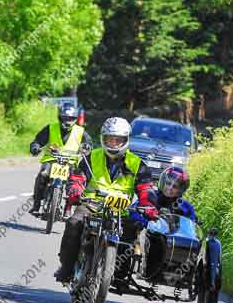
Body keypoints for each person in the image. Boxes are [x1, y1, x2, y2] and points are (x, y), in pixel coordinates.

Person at [54, 117, 157, 282]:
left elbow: (146, 188)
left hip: (121, 211)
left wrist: (149, 205)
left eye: (118, 140)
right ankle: (66, 267)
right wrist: (75, 191)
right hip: (91, 205)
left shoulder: (137, 164)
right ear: (103, 138)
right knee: (74, 223)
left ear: (126, 140)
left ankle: (120, 273)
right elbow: (77, 178)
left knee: (134, 232)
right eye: (110, 139)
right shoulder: (91, 157)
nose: (113, 143)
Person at [29, 103, 92, 216]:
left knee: (75, 182)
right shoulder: (50, 128)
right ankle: (36, 204)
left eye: (71, 119)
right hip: (51, 159)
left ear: (75, 119)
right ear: (60, 118)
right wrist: (35, 147)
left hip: (71, 162)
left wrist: (86, 148)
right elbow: (38, 141)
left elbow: (89, 144)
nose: (68, 121)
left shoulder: (80, 131)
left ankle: (68, 207)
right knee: (43, 175)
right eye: (65, 118)